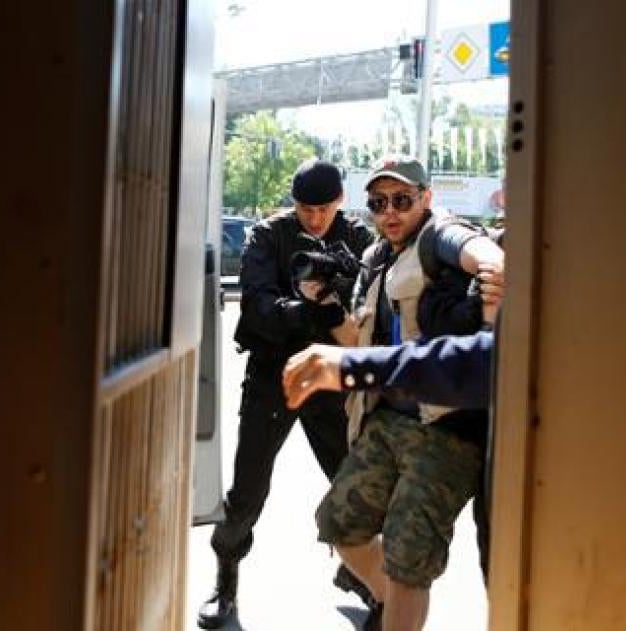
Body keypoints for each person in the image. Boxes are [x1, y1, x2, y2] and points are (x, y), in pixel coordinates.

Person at [313, 155, 504, 631]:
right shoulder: (378, 258)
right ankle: (392, 608)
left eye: (402, 200)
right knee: (337, 524)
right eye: (378, 203)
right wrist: (324, 303)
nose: (390, 212)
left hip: (444, 430)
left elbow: (474, 247)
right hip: (388, 419)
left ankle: (398, 614)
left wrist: (494, 269)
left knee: (408, 559)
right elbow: (359, 347)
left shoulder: (439, 235)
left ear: (426, 198)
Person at [197, 158, 375, 629]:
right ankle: (225, 580)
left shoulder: (357, 239)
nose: (314, 218)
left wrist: (333, 299)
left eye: (323, 208)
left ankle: (357, 571)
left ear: (339, 201)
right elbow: (258, 307)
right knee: (248, 492)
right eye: (304, 208)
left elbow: (371, 308)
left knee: (354, 485)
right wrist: (313, 308)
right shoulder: (268, 235)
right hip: (272, 376)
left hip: (332, 379)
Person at [282, 331, 495, 412]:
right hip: (379, 412)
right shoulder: (374, 262)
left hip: (440, 427)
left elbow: (484, 361)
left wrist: (353, 366)